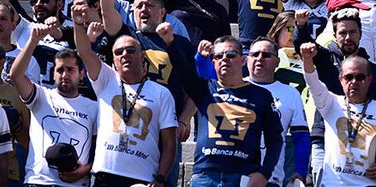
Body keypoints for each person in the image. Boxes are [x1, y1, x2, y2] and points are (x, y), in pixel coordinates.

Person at [166, 30, 284, 187]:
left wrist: (264, 174)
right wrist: (170, 43)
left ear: (243, 59)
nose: (224, 59)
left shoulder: (262, 96)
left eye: (231, 55)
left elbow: (275, 139)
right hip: (205, 176)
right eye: (218, 56)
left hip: (243, 176)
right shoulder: (203, 90)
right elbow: (183, 69)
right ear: (213, 62)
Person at [72, 20, 176, 187]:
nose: (125, 54)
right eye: (119, 52)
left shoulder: (161, 93)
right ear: (114, 61)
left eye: (131, 50)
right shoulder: (106, 80)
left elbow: (170, 143)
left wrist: (161, 178)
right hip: (105, 176)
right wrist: (78, 24)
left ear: (142, 57)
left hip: (143, 178)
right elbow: (84, 52)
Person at [300, 41, 376, 185]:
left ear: (369, 79)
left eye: (360, 77)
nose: (354, 82)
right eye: (348, 77)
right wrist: (307, 59)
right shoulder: (330, 103)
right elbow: (312, 82)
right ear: (341, 80)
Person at [9, 24, 98, 186]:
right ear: (53, 74)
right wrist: (33, 40)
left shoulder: (94, 108)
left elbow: (103, 148)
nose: (65, 75)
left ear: (81, 74)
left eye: (70, 70)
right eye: (60, 70)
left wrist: (86, 169)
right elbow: (16, 76)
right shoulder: (41, 96)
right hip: (38, 182)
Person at [244, 38, 310, 184]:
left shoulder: (290, 93)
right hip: (235, 176)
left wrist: (301, 171)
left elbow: (301, 136)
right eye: (255, 54)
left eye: (266, 55)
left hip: (271, 178)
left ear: (277, 62)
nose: (260, 58)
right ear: (247, 59)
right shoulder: (233, 88)